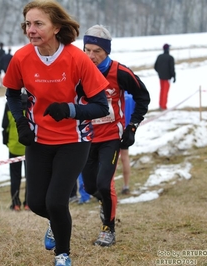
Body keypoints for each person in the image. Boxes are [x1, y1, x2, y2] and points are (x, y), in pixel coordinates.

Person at [3, 1, 110, 265]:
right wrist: (22, 124)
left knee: (56, 201)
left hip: (74, 140)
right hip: (38, 139)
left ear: (56, 27)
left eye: (38, 23)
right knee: (37, 203)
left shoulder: (77, 59)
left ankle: (63, 254)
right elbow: (12, 94)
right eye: (28, 24)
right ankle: (55, 222)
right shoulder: (22, 58)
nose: (31, 30)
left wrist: (70, 109)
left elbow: (100, 106)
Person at [81, 24, 150, 247]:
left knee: (104, 183)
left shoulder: (119, 72)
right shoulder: (78, 70)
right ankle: (107, 205)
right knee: (90, 187)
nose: (91, 56)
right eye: (87, 50)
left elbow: (143, 97)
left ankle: (107, 230)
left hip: (111, 136)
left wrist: (132, 127)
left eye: (97, 51)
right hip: (86, 137)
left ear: (107, 52)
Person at [2, 91, 29, 211]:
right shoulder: (30, 102)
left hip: (14, 145)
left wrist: (6, 141)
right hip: (29, 145)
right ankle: (28, 203)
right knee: (31, 176)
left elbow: (5, 125)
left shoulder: (10, 104)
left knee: (15, 176)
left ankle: (16, 203)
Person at [120, 91, 136, 195]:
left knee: (112, 159)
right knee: (125, 157)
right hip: (128, 130)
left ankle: (108, 186)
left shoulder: (117, 94)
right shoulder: (131, 96)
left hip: (116, 128)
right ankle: (126, 186)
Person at [154, 43, 176, 110]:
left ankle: (161, 105)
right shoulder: (170, 58)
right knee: (165, 91)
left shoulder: (159, 56)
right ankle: (163, 106)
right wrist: (174, 76)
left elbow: (155, 67)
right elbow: (172, 68)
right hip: (167, 78)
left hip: (161, 77)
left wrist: (160, 73)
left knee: (162, 91)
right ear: (168, 49)